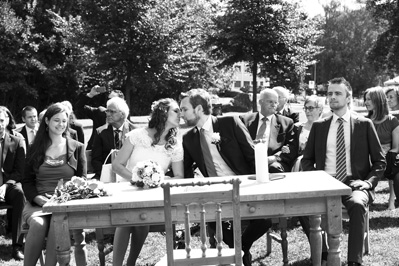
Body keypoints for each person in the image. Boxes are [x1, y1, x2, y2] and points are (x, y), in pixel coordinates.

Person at [180, 88, 271, 266]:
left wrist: (260, 185)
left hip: (244, 185)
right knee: (213, 221)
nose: (181, 114)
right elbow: (185, 172)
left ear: (198, 109)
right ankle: (242, 255)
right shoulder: (189, 138)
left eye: (184, 109)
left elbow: (251, 156)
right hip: (215, 192)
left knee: (265, 220)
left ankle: (240, 250)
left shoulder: (229, 122)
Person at [302, 77, 386, 266]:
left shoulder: (364, 124)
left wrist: (367, 183)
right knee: (301, 205)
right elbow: (307, 160)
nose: (332, 97)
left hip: (354, 183)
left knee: (357, 204)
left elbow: (380, 161)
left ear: (348, 98)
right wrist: (317, 177)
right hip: (326, 182)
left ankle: (353, 261)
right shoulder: (319, 126)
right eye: (329, 93)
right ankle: (323, 253)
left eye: (337, 93)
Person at [112, 98, 184, 266]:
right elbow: (117, 165)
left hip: (155, 193)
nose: (180, 114)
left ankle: (130, 263)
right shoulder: (137, 136)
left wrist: (159, 181)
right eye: (176, 110)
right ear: (163, 113)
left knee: (142, 220)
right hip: (128, 190)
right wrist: (137, 181)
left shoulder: (175, 143)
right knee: (127, 218)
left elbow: (179, 175)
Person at [21, 103, 88, 266]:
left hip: (65, 203)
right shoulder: (34, 148)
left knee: (56, 225)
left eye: (64, 121)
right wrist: (38, 199)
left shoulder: (77, 148)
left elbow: (82, 180)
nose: (61, 124)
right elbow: (27, 180)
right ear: (47, 121)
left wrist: (67, 197)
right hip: (39, 203)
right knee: (38, 223)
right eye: (56, 120)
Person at [240, 88, 297, 173]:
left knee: (273, 168)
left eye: (275, 102)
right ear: (260, 102)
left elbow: (292, 147)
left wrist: (275, 157)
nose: (273, 105)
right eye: (270, 102)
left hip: (273, 163)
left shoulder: (286, 123)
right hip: (249, 160)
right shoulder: (245, 120)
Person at [364, 87, 399, 210]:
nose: (366, 102)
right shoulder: (365, 121)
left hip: (388, 158)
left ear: (378, 101)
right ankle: (366, 197)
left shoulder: (392, 121)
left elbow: (396, 147)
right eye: (366, 99)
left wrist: (384, 156)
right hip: (369, 158)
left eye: (369, 99)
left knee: (393, 167)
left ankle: (391, 200)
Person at [0, 107, 26, 260]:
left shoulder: (17, 140)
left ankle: (17, 247)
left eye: (1, 120)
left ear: (7, 121)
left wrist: (5, 186)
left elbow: (20, 171)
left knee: (20, 193)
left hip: (8, 186)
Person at [91, 97, 135, 180]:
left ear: (122, 114)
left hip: (129, 175)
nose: (108, 114)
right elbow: (96, 160)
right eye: (107, 111)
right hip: (106, 175)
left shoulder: (135, 132)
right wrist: (107, 175)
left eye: (112, 111)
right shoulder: (100, 132)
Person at [283, 95, 325, 172]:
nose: (307, 111)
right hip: (299, 165)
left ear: (320, 109)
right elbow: (292, 148)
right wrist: (287, 149)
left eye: (311, 108)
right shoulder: (297, 127)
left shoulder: (326, 128)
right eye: (305, 108)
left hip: (320, 166)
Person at [75, 85, 125, 149]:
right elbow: (79, 107)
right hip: (94, 151)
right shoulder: (100, 112)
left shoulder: (125, 122)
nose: (110, 102)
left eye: (113, 100)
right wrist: (90, 94)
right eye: (109, 99)